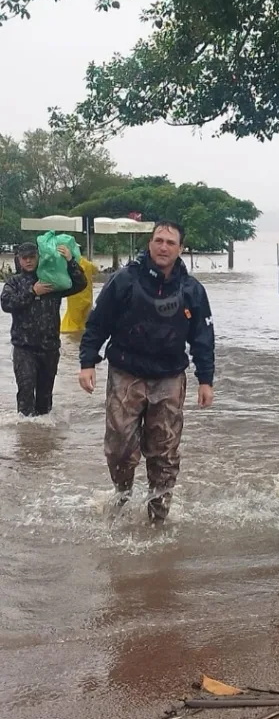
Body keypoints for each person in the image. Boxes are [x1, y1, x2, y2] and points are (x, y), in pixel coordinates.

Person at [78, 221, 215, 523]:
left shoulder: (192, 290)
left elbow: (203, 338)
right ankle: (122, 494)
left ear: (181, 248)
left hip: (169, 376)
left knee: (164, 452)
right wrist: (87, 362)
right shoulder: (124, 280)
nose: (163, 247)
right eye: (158, 240)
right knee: (119, 449)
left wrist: (206, 380)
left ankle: (158, 517)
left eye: (170, 242)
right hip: (126, 373)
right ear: (150, 243)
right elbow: (98, 323)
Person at [1, 241, 87, 416]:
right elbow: (7, 304)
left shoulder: (52, 280)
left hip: (49, 348)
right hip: (24, 348)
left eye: (32, 257)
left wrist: (70, 260)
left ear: (39, 257)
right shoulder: (14, 282)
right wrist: (33, 292)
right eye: (24, 258)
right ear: (18, 259)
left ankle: (43, 438)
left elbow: (80, 284)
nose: (28, 261)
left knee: (44, 400)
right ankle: (25, 438)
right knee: (25, 394)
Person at [61, 249, 99, 333]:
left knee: (73, 326)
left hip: (75, 301)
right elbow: (96, 270)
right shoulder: (88, 264)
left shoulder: (70, 265)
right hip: (88, 300)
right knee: (84, 325)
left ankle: (72, 342)